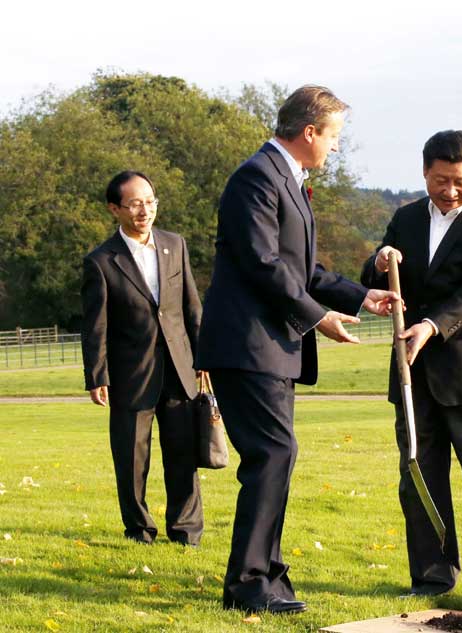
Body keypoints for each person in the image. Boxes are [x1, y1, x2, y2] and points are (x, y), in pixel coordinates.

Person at [196, 85, 397, 616]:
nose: (335, 147)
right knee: (272, 455)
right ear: (309, 132)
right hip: (247, 345)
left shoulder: (287, 180)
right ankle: (248, 584)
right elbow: (263, 265)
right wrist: (319, 317)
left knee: (277, 457)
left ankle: (268, 574)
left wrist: (360, 295)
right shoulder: (256, 178)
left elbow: (302, 270)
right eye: (334, 137)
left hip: (270, 348)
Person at [361, 130, 462, 610]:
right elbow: (373, 278)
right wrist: (379, 259)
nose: (449, 190)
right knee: (419, 476)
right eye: (440, 180)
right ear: (425, 172)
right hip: (412, 371)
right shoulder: (405, 218)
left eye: (459, 181)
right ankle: (432, 578)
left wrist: (433, 325)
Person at [81, 170, 204, 547]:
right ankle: (139, 529)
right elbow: (95, 324)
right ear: (114, 208)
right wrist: (97, 374)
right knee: (132, 460)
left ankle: (186, 530)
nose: (144, 210)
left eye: (149, 201)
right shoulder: (101, 261)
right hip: (130, 374)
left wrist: (204, 358)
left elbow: (191, 307)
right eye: (134, 203)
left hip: (181, 369)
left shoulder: (174, 244)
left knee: (183, 454)